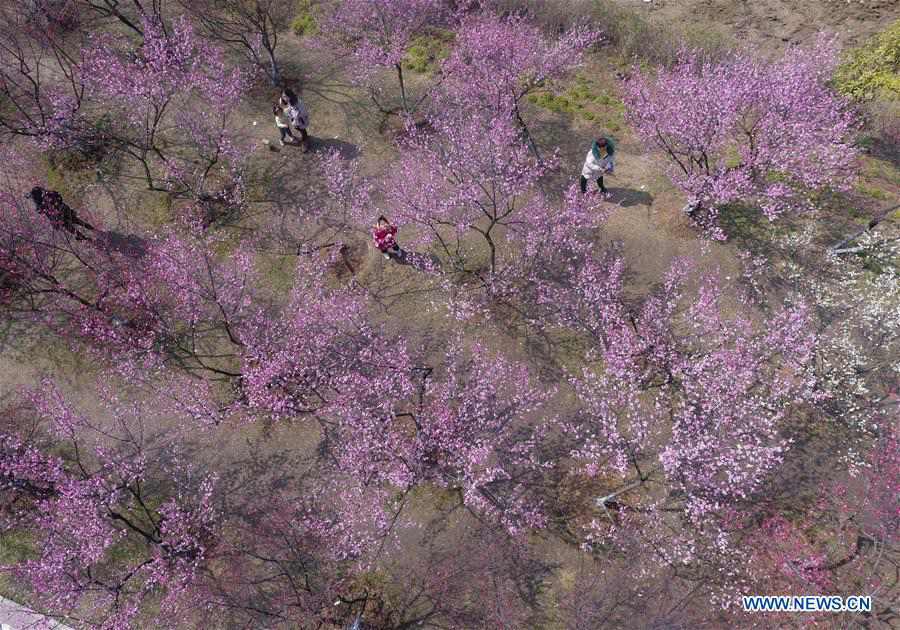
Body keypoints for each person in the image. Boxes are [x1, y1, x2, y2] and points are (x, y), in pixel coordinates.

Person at [26, 186, 95, 240]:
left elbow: (40, 211)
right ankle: (94, 232)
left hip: (58, 218)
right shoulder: (49, 193)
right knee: (78, 221)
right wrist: (59, 204)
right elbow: (59, 196)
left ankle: (87, 239)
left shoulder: (40, 204)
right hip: (64, 209)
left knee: (72, 229)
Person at [279, 86, 310, 152]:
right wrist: (284, 106)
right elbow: (289, 110)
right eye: (283, 97)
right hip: (296, 121)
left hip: (301, 121)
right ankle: (305, 137)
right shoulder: (290, 101)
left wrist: (286, 110)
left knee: (302, 130)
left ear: (290, 95)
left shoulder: (297, 103)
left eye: (285, 96)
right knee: (300, 129)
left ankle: (305, 142)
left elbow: (299, 113)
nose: (284, 98)